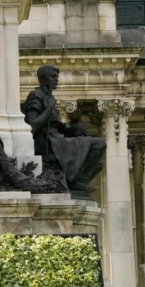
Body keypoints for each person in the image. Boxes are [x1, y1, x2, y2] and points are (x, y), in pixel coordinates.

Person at [21, 64, 106, 198]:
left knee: (98, 160)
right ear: (43, 78)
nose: (56, 80)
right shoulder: (36, 95)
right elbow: (31, 126)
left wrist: (72, 130)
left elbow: (55, 125)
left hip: (57, 140)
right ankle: (76, 182)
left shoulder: (49, 97)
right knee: (98, 145)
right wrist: (49, 109)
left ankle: (76, 182)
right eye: (53, 77)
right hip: (48, 144)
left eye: (57, 77)